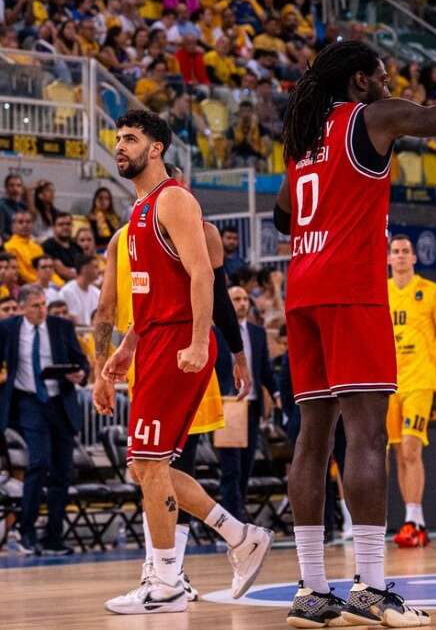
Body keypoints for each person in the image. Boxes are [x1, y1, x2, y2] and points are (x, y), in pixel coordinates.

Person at [274, 4, 436, 625]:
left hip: (302, 289)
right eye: (383, 77)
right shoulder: (373, 116)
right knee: (368, 435)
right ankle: (369, 584)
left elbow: (284, 215)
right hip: (351, 288)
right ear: (360, 80)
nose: (390, 86)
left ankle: (311, 589)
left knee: (313, 437)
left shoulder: (304, 136)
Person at [94, 109, 271, 615]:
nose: (120, 146)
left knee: (150, 465)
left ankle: (168, 580)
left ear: (156, 149)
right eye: (118, 138)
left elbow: (202, 275)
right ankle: (240, 537)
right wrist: (128, 346)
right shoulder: (138, 213)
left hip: (178, 343)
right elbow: (150, 294)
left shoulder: (173, 199)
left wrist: (197, 342)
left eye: (130, 138)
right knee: (146, 466)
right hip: (153, 341)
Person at [95, 214, 252, 604]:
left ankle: (168, 570)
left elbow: (215, 296)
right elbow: (110, 309)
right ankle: (180, 562)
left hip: (179, 352)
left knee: (165, 465)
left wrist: (235, 353)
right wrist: (106, 367)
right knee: (148, 468)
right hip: (147, 353)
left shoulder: (197, 232)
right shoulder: (123, 240)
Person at [386, 234, 436, 549]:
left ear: (414, 258)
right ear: (388, 258)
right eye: (395, 251)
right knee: (397, 452)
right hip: (389, 384)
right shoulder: (381, 292)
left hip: (420, 381)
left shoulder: (432, 292)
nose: (400, 256)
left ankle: (413, 519)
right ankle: (414, 521)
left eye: (405, 251)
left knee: (411, 449)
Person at [0, 285, 89, 555]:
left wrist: (80, 374)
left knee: (62, 471)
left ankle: (54, 537)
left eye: (43, 304)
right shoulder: (7, 329)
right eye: (36, 306)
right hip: (29, 402)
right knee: (38, 462)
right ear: (22, 307)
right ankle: (26, 531)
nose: (42, 310)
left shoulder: (61, 327)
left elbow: (81, 362)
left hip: (60, 401)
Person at [216, 285, 279, 521]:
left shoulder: (257, 332)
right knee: (231, 468)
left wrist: (276, 393)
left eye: (245, 299)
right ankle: (231, 520)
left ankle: (239, 513)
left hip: (252, 406)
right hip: (229, 404)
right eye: (236, 299)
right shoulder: (216, 332)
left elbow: (265, 369)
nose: (242, 303)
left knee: (246, 465)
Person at [5, 212, 55, 286]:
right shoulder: (9, 247)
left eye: (28, 222)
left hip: (47, 284)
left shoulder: (36, 246)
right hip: (30, 286)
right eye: (20, 222)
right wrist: (45, 284)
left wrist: (59, 284)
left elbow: (49, 270)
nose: (25, 225)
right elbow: (23, 274)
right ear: (13, 226)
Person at [42, 211, 84, 282]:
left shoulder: (77, 246)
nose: (65, 227)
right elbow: (62, 271)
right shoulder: (48, 246)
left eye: (68, 224)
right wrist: (84, 278)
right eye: (61, 224)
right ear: (53, 227)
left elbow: (85, 267)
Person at [58, 256, 100, 326]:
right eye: (95, 267)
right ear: (84, 269)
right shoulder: (67, 292)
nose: (99, 270)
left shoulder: (97, 292)